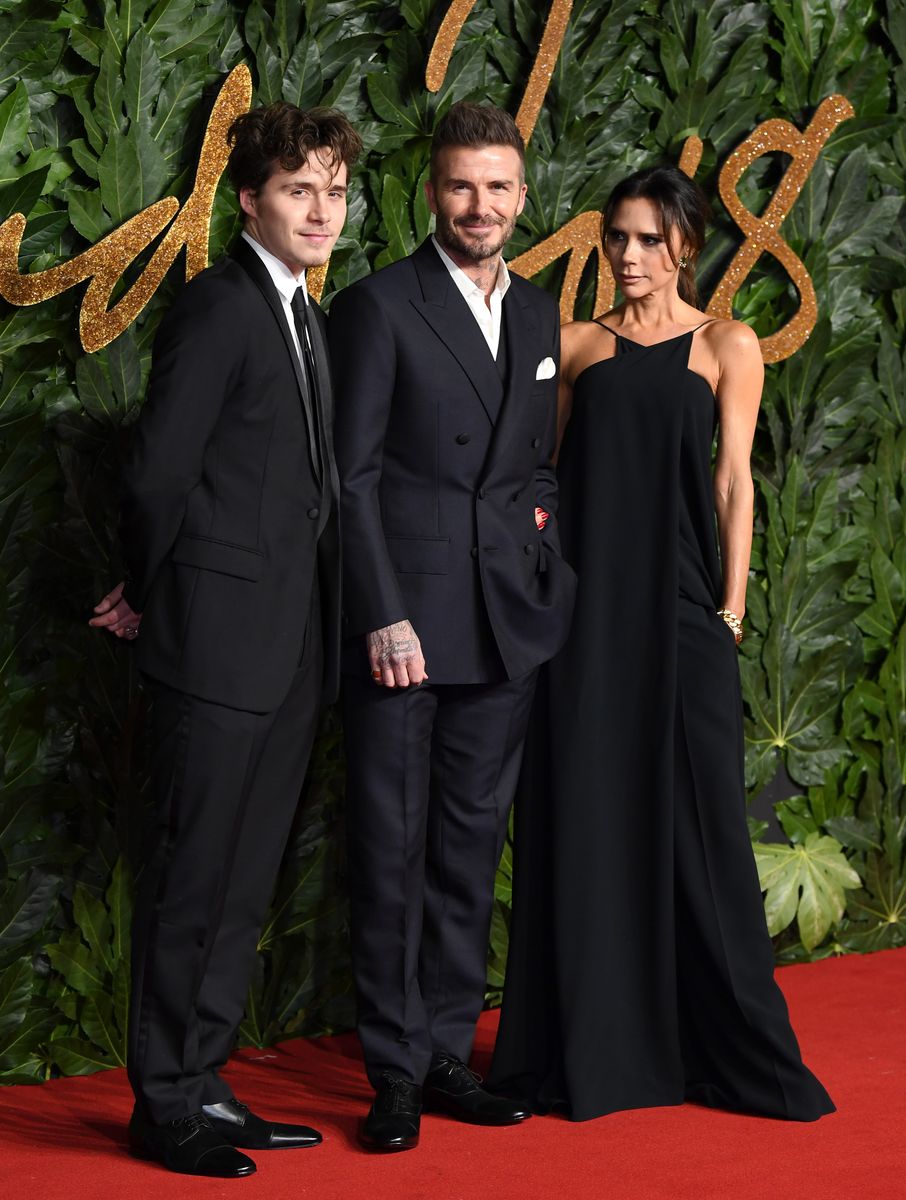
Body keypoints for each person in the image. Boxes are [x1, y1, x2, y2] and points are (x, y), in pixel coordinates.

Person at [489, 165, 835, 1123]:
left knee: (703, 830)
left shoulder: (728, 343)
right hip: (584, 622)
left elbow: (734, 484)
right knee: (586, 822)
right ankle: (594, 1050)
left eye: (648, 239)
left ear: (685, 244)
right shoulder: (574, 344)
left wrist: (730, 612)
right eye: (617, 238)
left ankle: (724, 1047)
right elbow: (541, 480)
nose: (629, 255)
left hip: (685, 615)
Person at [90, 102, 362, 1177]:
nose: (322, 211)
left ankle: (203, 1079)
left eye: (335, 192)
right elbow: (159, 470)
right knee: (192, 877)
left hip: (289, 649)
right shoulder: (219, 304)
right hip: (215, 645)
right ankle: (162, 1104)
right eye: (300, 191)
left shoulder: (301, 311)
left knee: (243, 881)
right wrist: (147, 588)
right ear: (249, 199)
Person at [328, 101, 576, 1152]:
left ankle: (440, 1054)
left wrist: (541, 544)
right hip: (405, 632)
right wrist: (382, 613)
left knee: (470, 854)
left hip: (504, 624)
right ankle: (391, 1071)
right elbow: (350, 478)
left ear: (523, 195)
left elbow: (536, 468)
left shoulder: (540, 313)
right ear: (432, 190)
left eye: (499, 186)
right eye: (462, 184)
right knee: (391, 852)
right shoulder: (378, 305)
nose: (481, 205)